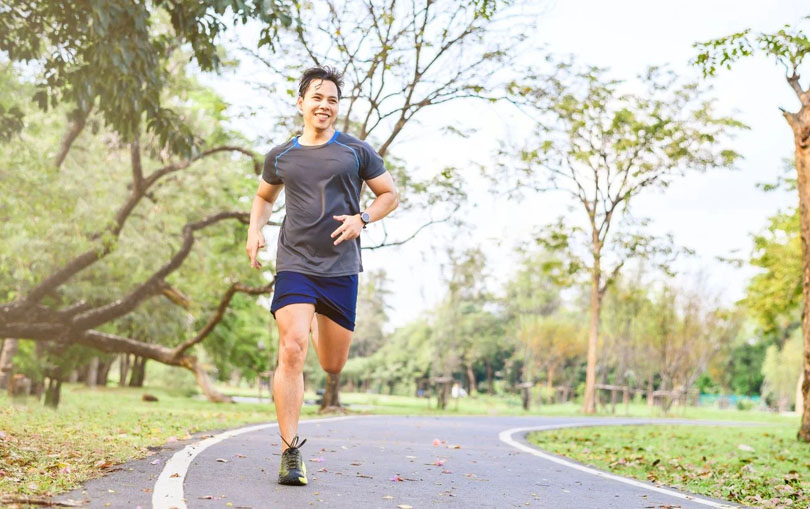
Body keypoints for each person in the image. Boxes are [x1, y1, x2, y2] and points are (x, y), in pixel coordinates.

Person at [245, 66, 398, 486]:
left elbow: (389, 195)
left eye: (332, 99)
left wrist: (362, 219)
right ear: (301, 103)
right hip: (294, 262)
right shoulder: (281, 155)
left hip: (341, 268)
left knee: (332, 364)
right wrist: (255, 228)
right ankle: (290, 451)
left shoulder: (356, 151)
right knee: (291, 348)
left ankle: (313, 319)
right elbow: (263, 196)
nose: (324, 105)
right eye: (317, 97)